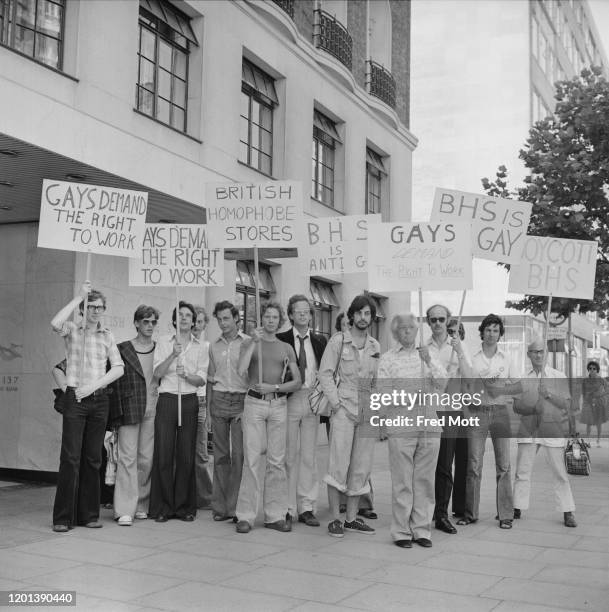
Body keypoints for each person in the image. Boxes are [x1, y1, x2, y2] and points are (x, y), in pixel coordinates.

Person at [50, 282, 124, 532]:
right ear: (83, 309)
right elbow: (55, 323)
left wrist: (93, 387)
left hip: (98, 399)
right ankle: (63, 517)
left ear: (104, 310)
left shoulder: (107, 335)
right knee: (70, 458)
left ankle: (88, 515)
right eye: (90, 306)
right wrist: (77, 298)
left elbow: (118, 368)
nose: (95, 311)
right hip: (75, 399)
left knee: (93, 458)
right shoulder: (72, 329)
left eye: (99, 307)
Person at [377, 313, 448, 548]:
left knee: (424, 480)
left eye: (411, 327)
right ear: (396, 333)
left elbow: (442, 382)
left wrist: (429, 361)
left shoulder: (428, 354)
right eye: (403, 328)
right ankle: (401, 531)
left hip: (428, 421)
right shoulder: (387, 359)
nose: (407, 331)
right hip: (401, 422)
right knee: (402, 480)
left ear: (417, 331)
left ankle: (422, 529)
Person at [235, 301, 301, 534]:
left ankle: (274, 515)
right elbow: (241, 370)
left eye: (275, 317)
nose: (271, 320)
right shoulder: (250, 341)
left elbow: (297, 381)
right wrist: (253, 342)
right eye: (267, 316)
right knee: (252, 459)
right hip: (254, 403)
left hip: (278, 404)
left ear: (280, 320)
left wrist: (274, 386)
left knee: (276, 461)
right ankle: (245, 515)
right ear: (261, 318)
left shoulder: (286, 347)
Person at [319, 294, 380, 538]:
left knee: (361, 467)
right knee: (338, 465)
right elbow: (324, 374)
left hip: (366, 410)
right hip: (343, 408)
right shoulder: (338, 342)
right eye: (360, 313)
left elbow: (377, 381)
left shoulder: (375, 346)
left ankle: (352, 519)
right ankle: (335, 519)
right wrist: (336, 405)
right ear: (352, 315)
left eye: (368, 314)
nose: (363, 318)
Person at [458, 314, 520, 529]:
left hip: (500, 413)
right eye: (488, 329)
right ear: (482, 332)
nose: (492, 334)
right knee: (473, 464)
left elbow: (518, 386)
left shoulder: (507, 358)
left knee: (504, 465)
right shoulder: (473, 358)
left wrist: (500, 389)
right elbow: (465, 386)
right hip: (477, 413)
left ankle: (505, 515)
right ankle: (470, 513)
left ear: (500, 334)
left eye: (496, 330)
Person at [150, 301, 208, 522]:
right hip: (167, 400)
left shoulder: (200, 347)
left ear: (193, 321)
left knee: (185, 456)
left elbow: (201, 378)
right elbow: (157, 373)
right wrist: (172, 356)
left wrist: (187, 376)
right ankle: (163, 507)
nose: (184, 318)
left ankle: (184, 507)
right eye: (180, 315)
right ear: (174, 320)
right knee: (164, 454)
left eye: (188, 315)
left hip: (189, 400)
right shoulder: (164, 343)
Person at [512, 337, 577, 528]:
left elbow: (566, 404)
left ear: (546, 353)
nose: (539, 355)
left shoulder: (559, 376)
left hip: (552, 429)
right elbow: (516, 406)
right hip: (529, 429)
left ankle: (568, 511)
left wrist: (548, 394)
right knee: (522, 471)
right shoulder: (522, 378)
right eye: (535, 351)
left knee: (559, 472)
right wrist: (533, 406)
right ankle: (517, 506)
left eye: (542, 351)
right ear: (529, 354)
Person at [276, 294, 327, 527]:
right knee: (289, 455)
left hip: (312, 399)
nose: (303, 314)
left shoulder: (319, 342)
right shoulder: (281, 339)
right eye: (298, 311)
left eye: (306, 311)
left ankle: (306, 506)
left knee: (309, 455)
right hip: (289, 399)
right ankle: (286, 507)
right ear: (290, 315)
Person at [111, 305, 160, 526]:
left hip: (153, 409)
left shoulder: (161, 350)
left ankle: (142, 504)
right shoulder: (123, 348)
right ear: (137, 323)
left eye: (153, 322)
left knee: (146, 459)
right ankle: (124, 509)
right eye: (146, 321)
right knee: (127, 458)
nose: (150, 326)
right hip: (129, 409)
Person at [425, 308, 473, 535]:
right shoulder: (423, 347)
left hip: (451, 411)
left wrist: (459, 352)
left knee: (445, 464)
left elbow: (470, 377)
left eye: (441, 319)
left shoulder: (458, 345)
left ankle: (442, 514)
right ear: (428, 322)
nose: (437, 323)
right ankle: (427, 508)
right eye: (432, 319)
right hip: (429, 411)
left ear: (447, 321)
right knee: (428, 464)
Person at [207, 301, 249, 522]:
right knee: (220, 457)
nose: (222, 323)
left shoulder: (249, 343)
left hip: (242, 400)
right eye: (219, 319)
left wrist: (249, 406)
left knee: (239, 456)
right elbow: (210, 379)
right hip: (220, 400)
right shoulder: (214, 346)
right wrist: (208, 409)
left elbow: (253, 376)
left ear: (236, 319)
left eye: (226, 318)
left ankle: (235, 507)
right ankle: (220, 507)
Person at [193, 305, 213, 509]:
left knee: (201, 452)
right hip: (180, 400)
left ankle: (206, 497)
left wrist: (207, 410)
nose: (196, 326)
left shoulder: (208, 347)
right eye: (194, 321)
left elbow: (210, 382)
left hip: (200, 402)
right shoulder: (181, 345)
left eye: (200, 322)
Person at [581, 360, 607, 447]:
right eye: (590, 368)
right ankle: (587, 441)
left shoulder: (601, 380)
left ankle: (598, 441)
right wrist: (585, 401)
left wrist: (600, 396)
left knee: (598, 423)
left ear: (597, 370)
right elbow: (583, 392)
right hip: (588, 403)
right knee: (589, 423)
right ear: (588, 369)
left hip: (599, 403)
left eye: (594, 368)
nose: (592, 370)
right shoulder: (585, 381)